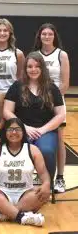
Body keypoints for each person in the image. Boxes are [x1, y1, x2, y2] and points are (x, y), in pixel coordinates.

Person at [3, 51, 65, 182]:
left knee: (47, 150)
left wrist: (43, 130)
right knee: (18, 149)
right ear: (25, 69)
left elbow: (60, 114)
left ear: (42, 68)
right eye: (30, 66)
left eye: (37, 66)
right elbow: (7, 111)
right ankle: (19, 182)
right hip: (22, 130)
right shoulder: (17, 86)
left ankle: (47, 184)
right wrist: (24, 128)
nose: (33, 69)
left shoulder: (51, 87)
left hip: (45, 131)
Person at [0, 118, 50, 227]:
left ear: (23, 132)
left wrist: (46, 184)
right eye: (10, 129)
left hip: (26, 193)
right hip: (1, 193)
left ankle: (6, 214)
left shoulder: (32, 149)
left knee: (45, 194)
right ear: (5, 132)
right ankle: (22, 217)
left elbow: (44, 174)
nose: (14, 132)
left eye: (17, 129)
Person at [33, 23, 70, 193]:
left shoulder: (61, 55)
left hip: (55, 103)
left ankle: (60, 177)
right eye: (44, 34)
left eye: (50, 34)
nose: (47, 37)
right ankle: (39, 173)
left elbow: (64, 83)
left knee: (58, 140)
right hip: (36, 103)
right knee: (37, 138)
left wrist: (50, 100)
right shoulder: (34, 55)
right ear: (39, 36)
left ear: (54, 36)